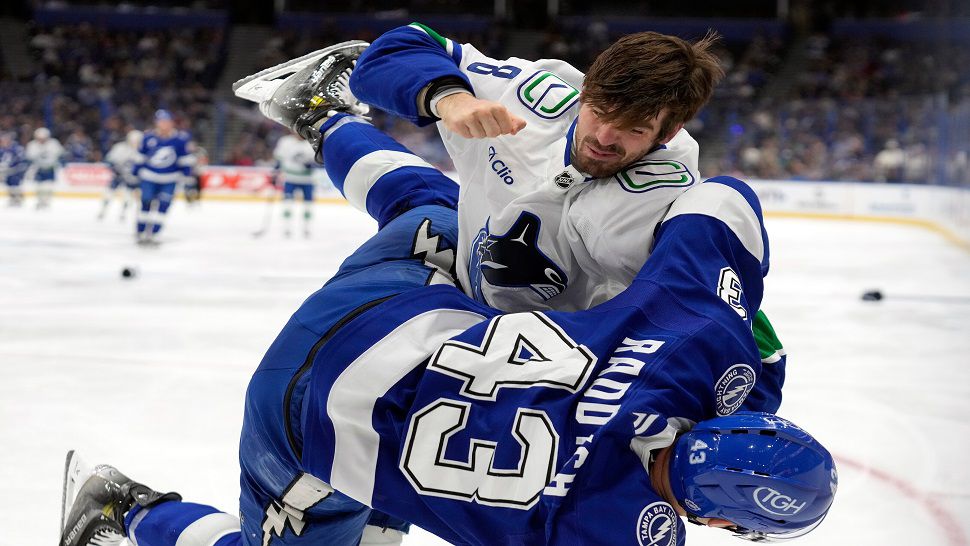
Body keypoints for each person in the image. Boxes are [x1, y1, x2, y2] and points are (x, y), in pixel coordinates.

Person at [59, 113, 830, 546]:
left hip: (401, 302)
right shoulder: (618, 533)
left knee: (434, 209)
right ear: (722, 514)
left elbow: (721, 202)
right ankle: (125, 508)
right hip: (305, 420)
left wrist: (741, 344)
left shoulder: (700, 345)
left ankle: (324, 118)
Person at [238, 26, 724, 314]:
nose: (602, 138)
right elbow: (398, 47)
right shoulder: (535, 96)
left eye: (633, 130)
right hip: (473, 281)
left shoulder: (670, 203)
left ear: (666, 133)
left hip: (559, 359)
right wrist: (448, 96)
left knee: (426, 208)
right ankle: (318, 113)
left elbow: (726, 313)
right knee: (424, 213)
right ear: (586, 90)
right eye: (598, 111)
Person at [133, 109, 194, 245]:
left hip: (170, 179)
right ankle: (141, 231)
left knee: (164, 206)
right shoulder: (148, 137)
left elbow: (185, 160)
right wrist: (135, 173)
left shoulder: (180, 140)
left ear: (171, 123)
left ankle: (155, 233)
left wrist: (187, 176)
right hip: (149, 177)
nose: (163, 124)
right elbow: (140, 157)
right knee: (146, 202)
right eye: (161, 121)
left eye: (166, 121)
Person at [273, 132, 318, 237]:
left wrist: (312, 164)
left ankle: (306, 228)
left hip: (307, 180)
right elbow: (279, 159)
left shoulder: (311, 144)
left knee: (308, 206)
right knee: (287, 204)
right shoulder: (285, 142)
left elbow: (318, 161)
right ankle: (287, 228)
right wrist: (275, 172)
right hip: (290, 178)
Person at [98, 130, 143, 221]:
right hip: (118, 176)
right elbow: (109, 160)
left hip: (132, 178)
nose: (135, 142)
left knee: (128, 196)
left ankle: (123, 213)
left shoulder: (142, 150)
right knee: (109, 193)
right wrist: (115, 170)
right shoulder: (119, 148)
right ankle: (103, 210)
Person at [24, 126, 64, 209]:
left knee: (48, 186)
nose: (41, 140)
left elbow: (60, 153)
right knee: (38, 186)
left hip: (50, 168)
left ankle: (46, 201)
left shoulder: (53, 143)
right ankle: (40, 201)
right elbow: (29, 156)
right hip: (38, 169)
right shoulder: (32, 145)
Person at [0, 132, 28, 207]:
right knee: (9, 186)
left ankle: (18, 198)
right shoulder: (2, 150)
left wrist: (19, 169)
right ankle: (13, 198)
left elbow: (22, 160)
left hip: (16, 171)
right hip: (7, 172)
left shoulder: (17, 149)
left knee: (15, 186)